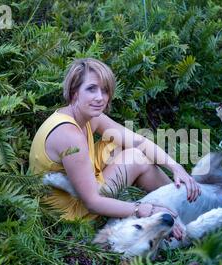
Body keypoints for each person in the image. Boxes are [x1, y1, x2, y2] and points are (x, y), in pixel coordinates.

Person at [29, 58, 200, 240]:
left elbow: (137, 141)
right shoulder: (68, 134)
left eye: (105, 90)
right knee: (135, 158)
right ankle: (183, 211)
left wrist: (176, 167)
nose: (100, 98)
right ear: (74, 92)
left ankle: (182, 200)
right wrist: (143, 210)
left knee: (124, 147)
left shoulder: (87, 116)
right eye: (91, 89)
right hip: (67, 215)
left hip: (79, 188)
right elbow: (92, 203)